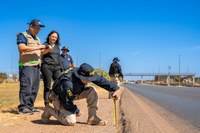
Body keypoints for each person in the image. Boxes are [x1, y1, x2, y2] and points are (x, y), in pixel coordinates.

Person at [41, 63, 121, 126]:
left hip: (73, 93)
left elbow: (100, 80)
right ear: (80, 76)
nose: (90, 80)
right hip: (59, 97)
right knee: (70, 121)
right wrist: (76, 110)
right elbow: (67, 102)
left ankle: (92, 118)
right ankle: (49, 110)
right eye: (88, 79)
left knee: (92, 90)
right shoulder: (67, 83)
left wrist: (115, 89)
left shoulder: (86, 73)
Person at [17, 19, 52, 114]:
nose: (38, 30)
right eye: (36, 27)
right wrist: (38, 47)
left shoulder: (37, 39)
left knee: (34, 87)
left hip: (37, 65)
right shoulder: (23, 35)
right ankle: (23, 107)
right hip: (27, 65)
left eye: (39, 28)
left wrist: (47, 49)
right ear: (31, 26)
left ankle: (30, 106)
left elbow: (40, 52)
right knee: (26, 86)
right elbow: (21, 48)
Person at [41, 31, 62, 106]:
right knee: (47, 85)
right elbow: (41, 53)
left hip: (56, 67)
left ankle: (58, 102)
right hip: (47, 66)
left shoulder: (57, 46)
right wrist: (48, 49)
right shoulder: (44, 44)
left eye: (56, 37)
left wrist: (61, 68)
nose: (54, 38)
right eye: (53, 36)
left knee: (60, 84)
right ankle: (47, 104)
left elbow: (58, 58)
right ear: (49, 36)